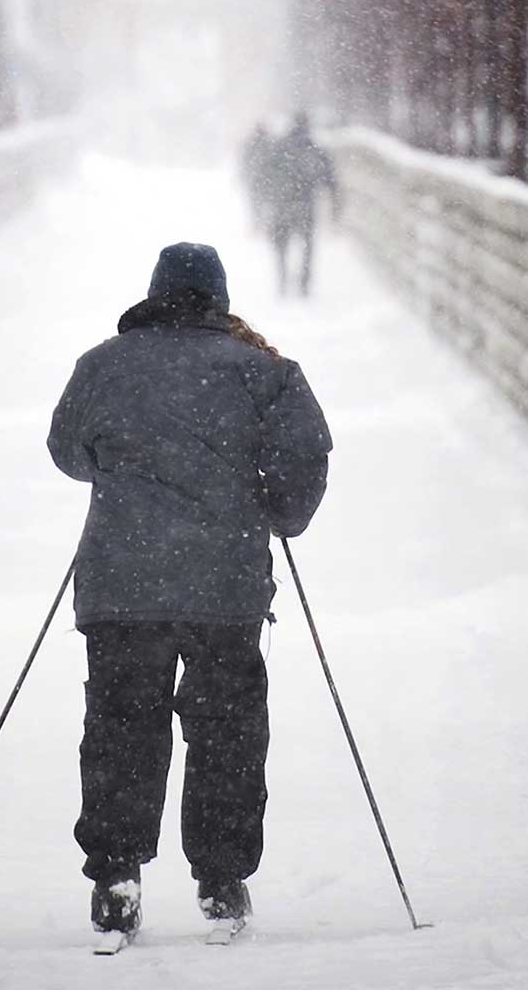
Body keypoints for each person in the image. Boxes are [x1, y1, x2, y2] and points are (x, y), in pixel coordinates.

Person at [47, 242, 333, 945]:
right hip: (225, 587)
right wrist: (279, 509)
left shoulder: (102, 365)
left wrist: (123, 468)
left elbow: (66, 450)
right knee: (225, 732)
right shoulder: (264, 371)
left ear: (154, 294)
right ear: (218, 300)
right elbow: (305, 455)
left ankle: (116, 877)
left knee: (122, 728)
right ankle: (222, 880)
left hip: (122, 587)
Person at [260, 112, 338, 296]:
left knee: (281, 245)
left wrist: (267, 199)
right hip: (305, 205)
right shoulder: (314, 148)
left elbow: (266, 174)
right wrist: (333, 201)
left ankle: (282, 279)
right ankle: (304, 283)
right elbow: (328, 178)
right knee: (307, 245)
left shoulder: (279, 146)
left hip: (282, 205)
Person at [240, 122, 275, 234]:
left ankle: (258, 225)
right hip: (266, 180)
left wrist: (246, 175)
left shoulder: (251, 144)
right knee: (264, 204)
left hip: (257, 180)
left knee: (257, 205)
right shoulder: (270, 144)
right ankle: (262, 225)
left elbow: (245, 162)